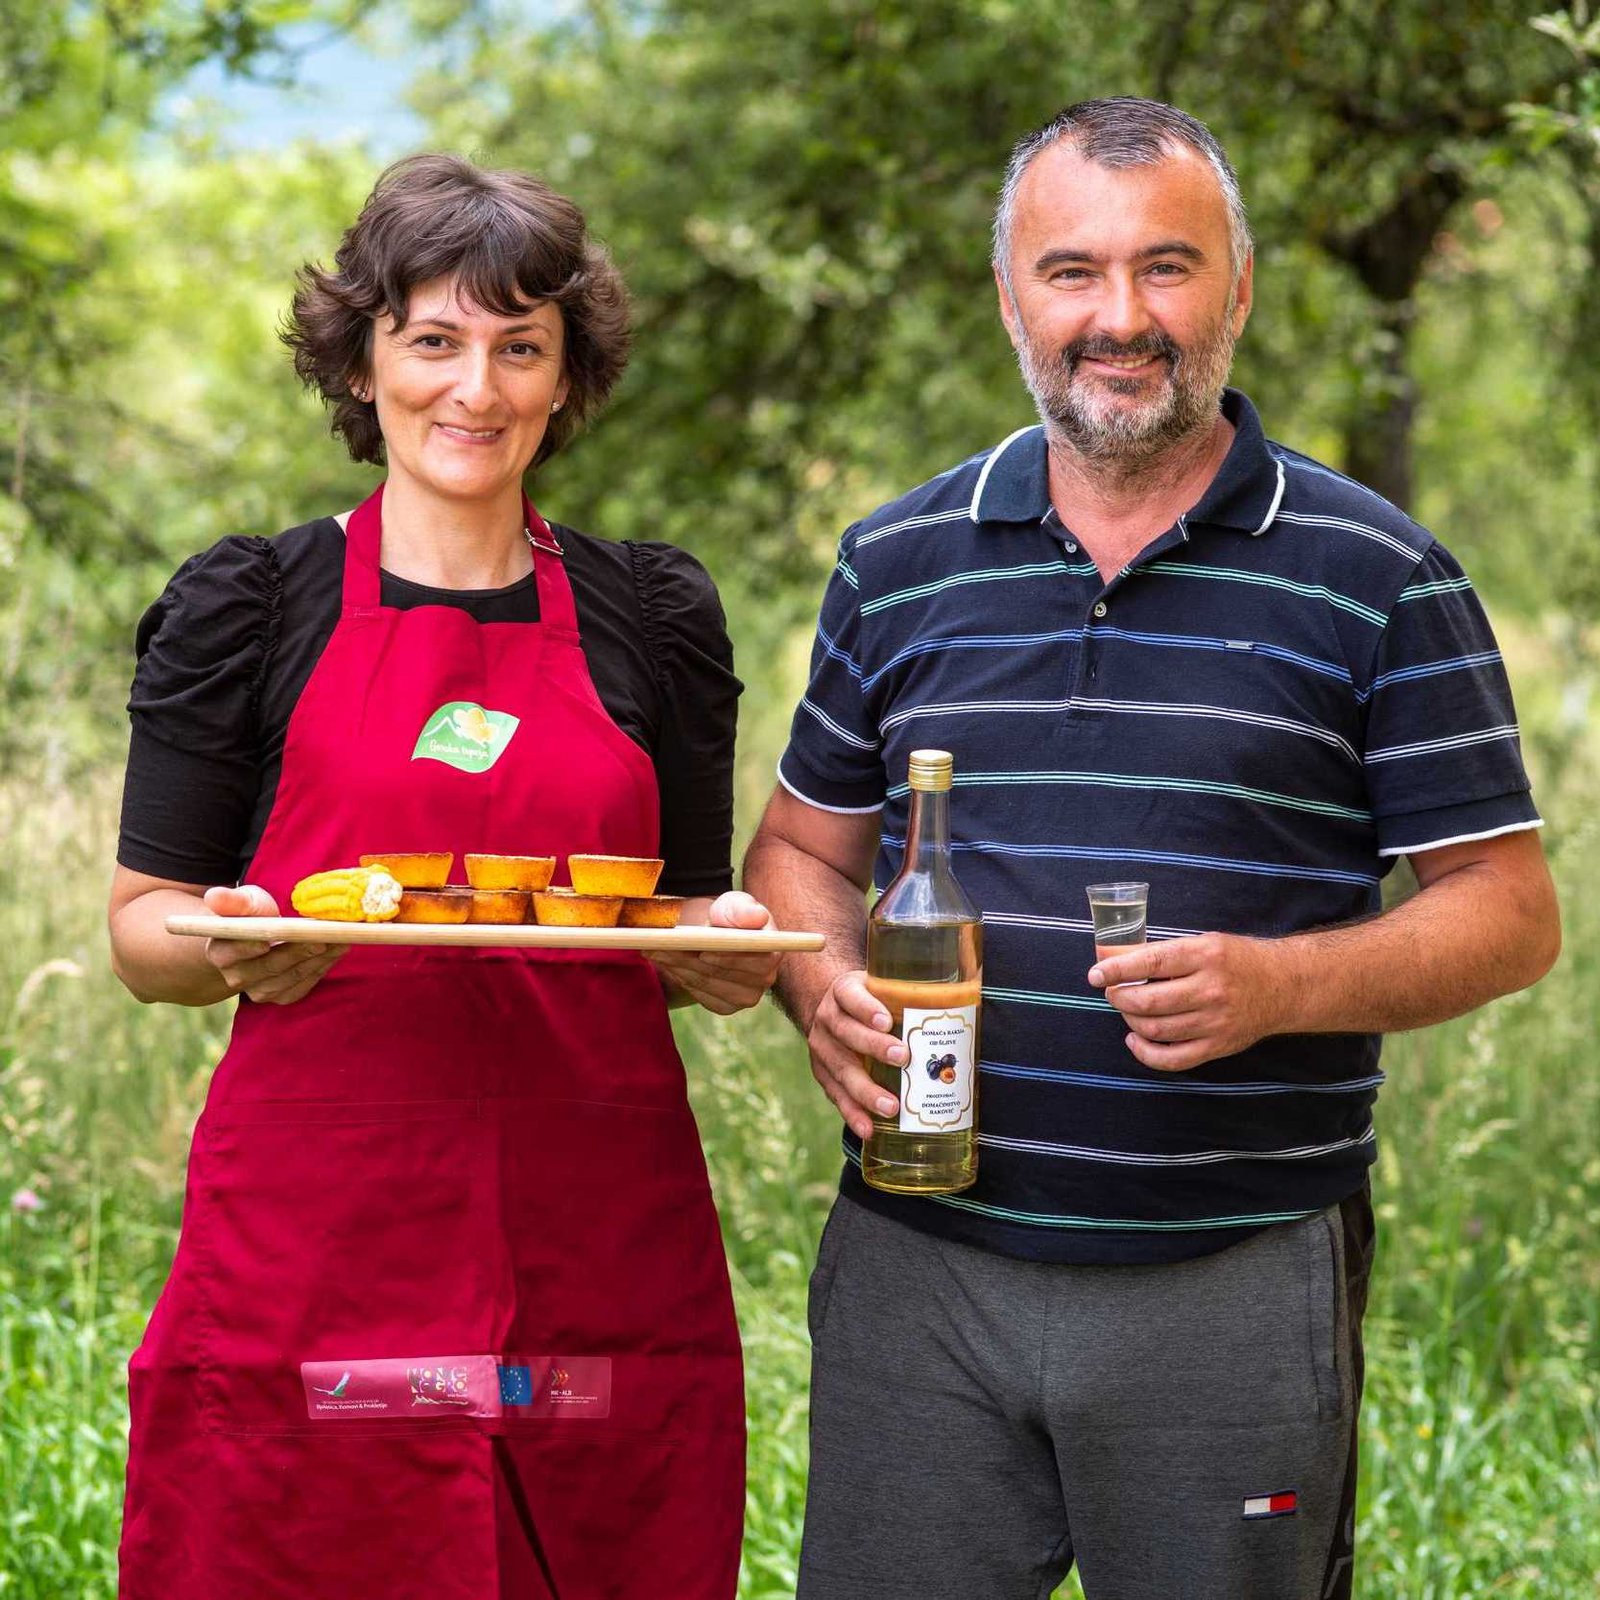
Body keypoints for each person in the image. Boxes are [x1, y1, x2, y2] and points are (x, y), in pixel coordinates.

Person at [744, 98, 1560, 1600]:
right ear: (1011, 298)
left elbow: (1510, 914)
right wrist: (825, 992)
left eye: (1167, 268)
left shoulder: (1377, 576)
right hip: (923, 1269)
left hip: (1232, 1281)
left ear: (1236, 292)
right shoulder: (897, 561)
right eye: (1072, 272)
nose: (1120, 319)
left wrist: (1279, 986)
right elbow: (798, 853)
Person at [109, 153, 775, 1599]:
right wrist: (222, 941)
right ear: (361, 360)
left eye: (518, 346)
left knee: (588, 1517)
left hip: (590, 1249)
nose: (475, 387)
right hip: (322, 1250)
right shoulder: (250, 603)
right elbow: (140, 928)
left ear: (563, 376)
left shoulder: (656, 615)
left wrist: (720, 956)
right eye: (434, 339)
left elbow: (680, 916)